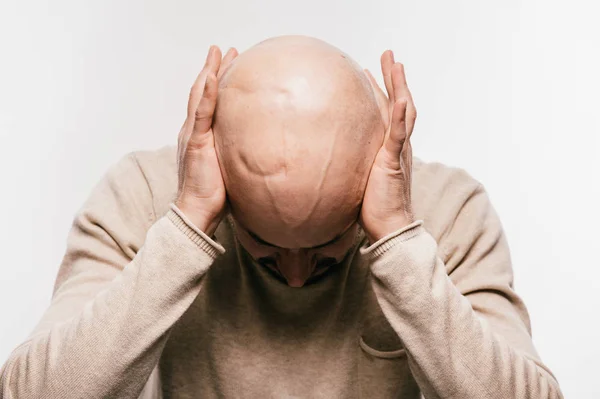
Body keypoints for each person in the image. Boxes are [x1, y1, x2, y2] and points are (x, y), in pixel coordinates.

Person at [0, 36, 563, 398]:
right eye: (265, 247)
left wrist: (395, 241)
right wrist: (188, 224)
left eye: (327, 248)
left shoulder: (449, 212)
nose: (295, 276)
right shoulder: (147, 197)